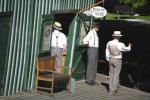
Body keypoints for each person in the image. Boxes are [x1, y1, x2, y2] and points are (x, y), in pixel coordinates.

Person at [105, 31, 131, 95]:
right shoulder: (120, 44)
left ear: (113, 36)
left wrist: (108, 59)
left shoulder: (109, 42)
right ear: (119, 37)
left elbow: (107, 52)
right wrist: (129, 46)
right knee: (116, 75)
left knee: (111, 74)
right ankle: (113, 90)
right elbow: (126, 49)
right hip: (117, 60)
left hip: (111, 59)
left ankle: (110, 89)